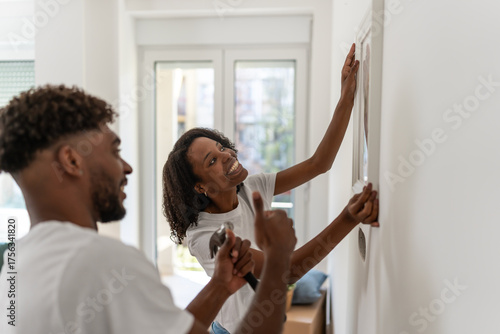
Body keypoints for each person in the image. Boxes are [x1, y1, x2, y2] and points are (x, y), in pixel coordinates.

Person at [0, 85, 297, 334]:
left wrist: (220, 286)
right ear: (72, 161)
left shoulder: (17, 263)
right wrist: (278, 259)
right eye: (115, 151)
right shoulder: (101, 262)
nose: (126, 167)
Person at [162, 44, 380, 333]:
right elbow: (288, 270)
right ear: (200, 186)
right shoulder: (204, 236)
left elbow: (319, 163)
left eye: (221, 146)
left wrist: (346, 99)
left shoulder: (249, 188)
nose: (227, 154)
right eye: (212, 160)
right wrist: (348, 219)